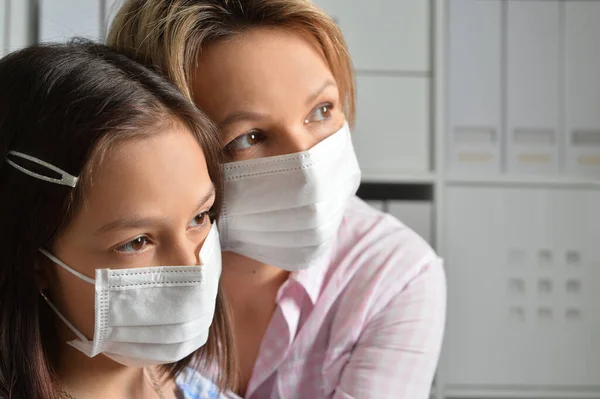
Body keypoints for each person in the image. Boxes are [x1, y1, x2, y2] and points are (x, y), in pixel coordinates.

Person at [108, 1, 447, 398]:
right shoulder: (114, 274)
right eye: (249, 137)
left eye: (321, 111)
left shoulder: (394, 273)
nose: (306, 163)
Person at [0, 41, 236, 399]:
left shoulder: (193, 385)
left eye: (199, 217)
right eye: (137, 241)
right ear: (37, 266)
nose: (193, 267)